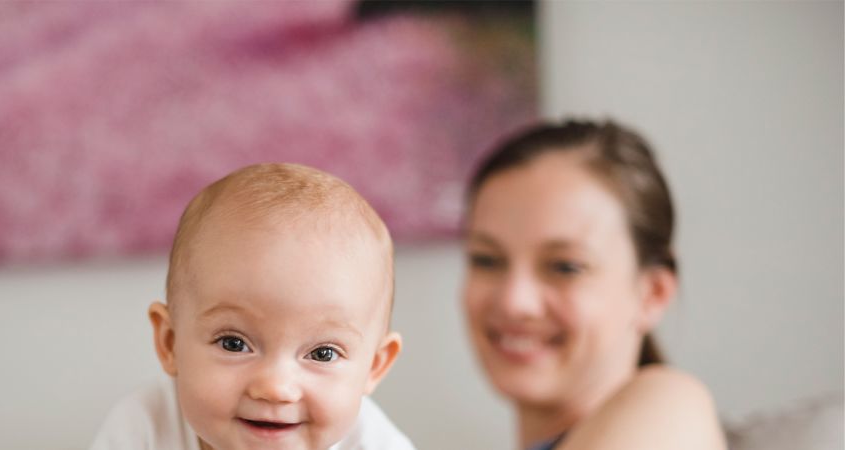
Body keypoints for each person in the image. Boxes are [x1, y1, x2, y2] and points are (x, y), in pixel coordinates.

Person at [90, 163, 413, 449]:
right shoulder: (142, 429)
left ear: (374, 366)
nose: (275, 388)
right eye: (233, 343)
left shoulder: (375, 443)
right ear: (170, 342)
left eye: (323, 353)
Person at [460, 119, 726, 450]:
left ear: (653, 294)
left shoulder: (672, 406)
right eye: (486, 260)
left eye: (565, 267)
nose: (514, 301)